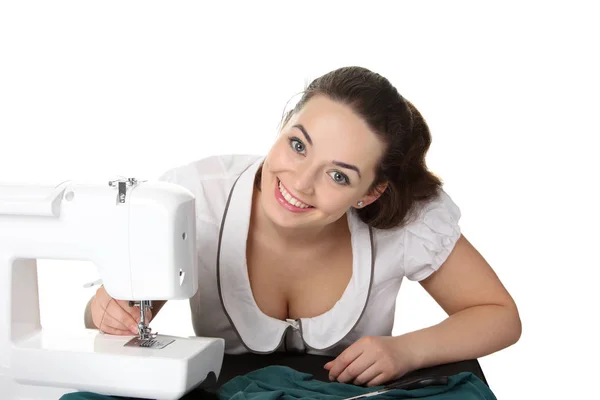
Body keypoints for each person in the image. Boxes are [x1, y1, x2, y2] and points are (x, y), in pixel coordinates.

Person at [84, 66, 521, 387]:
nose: (300, 182)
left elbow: (499, 315)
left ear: (370, 193)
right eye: (297, 146)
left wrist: (406, 350)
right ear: (283, 126)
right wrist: (106, 310)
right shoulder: (199, 200)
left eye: (339, 176)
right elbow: (120, 313)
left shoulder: (407, 222)